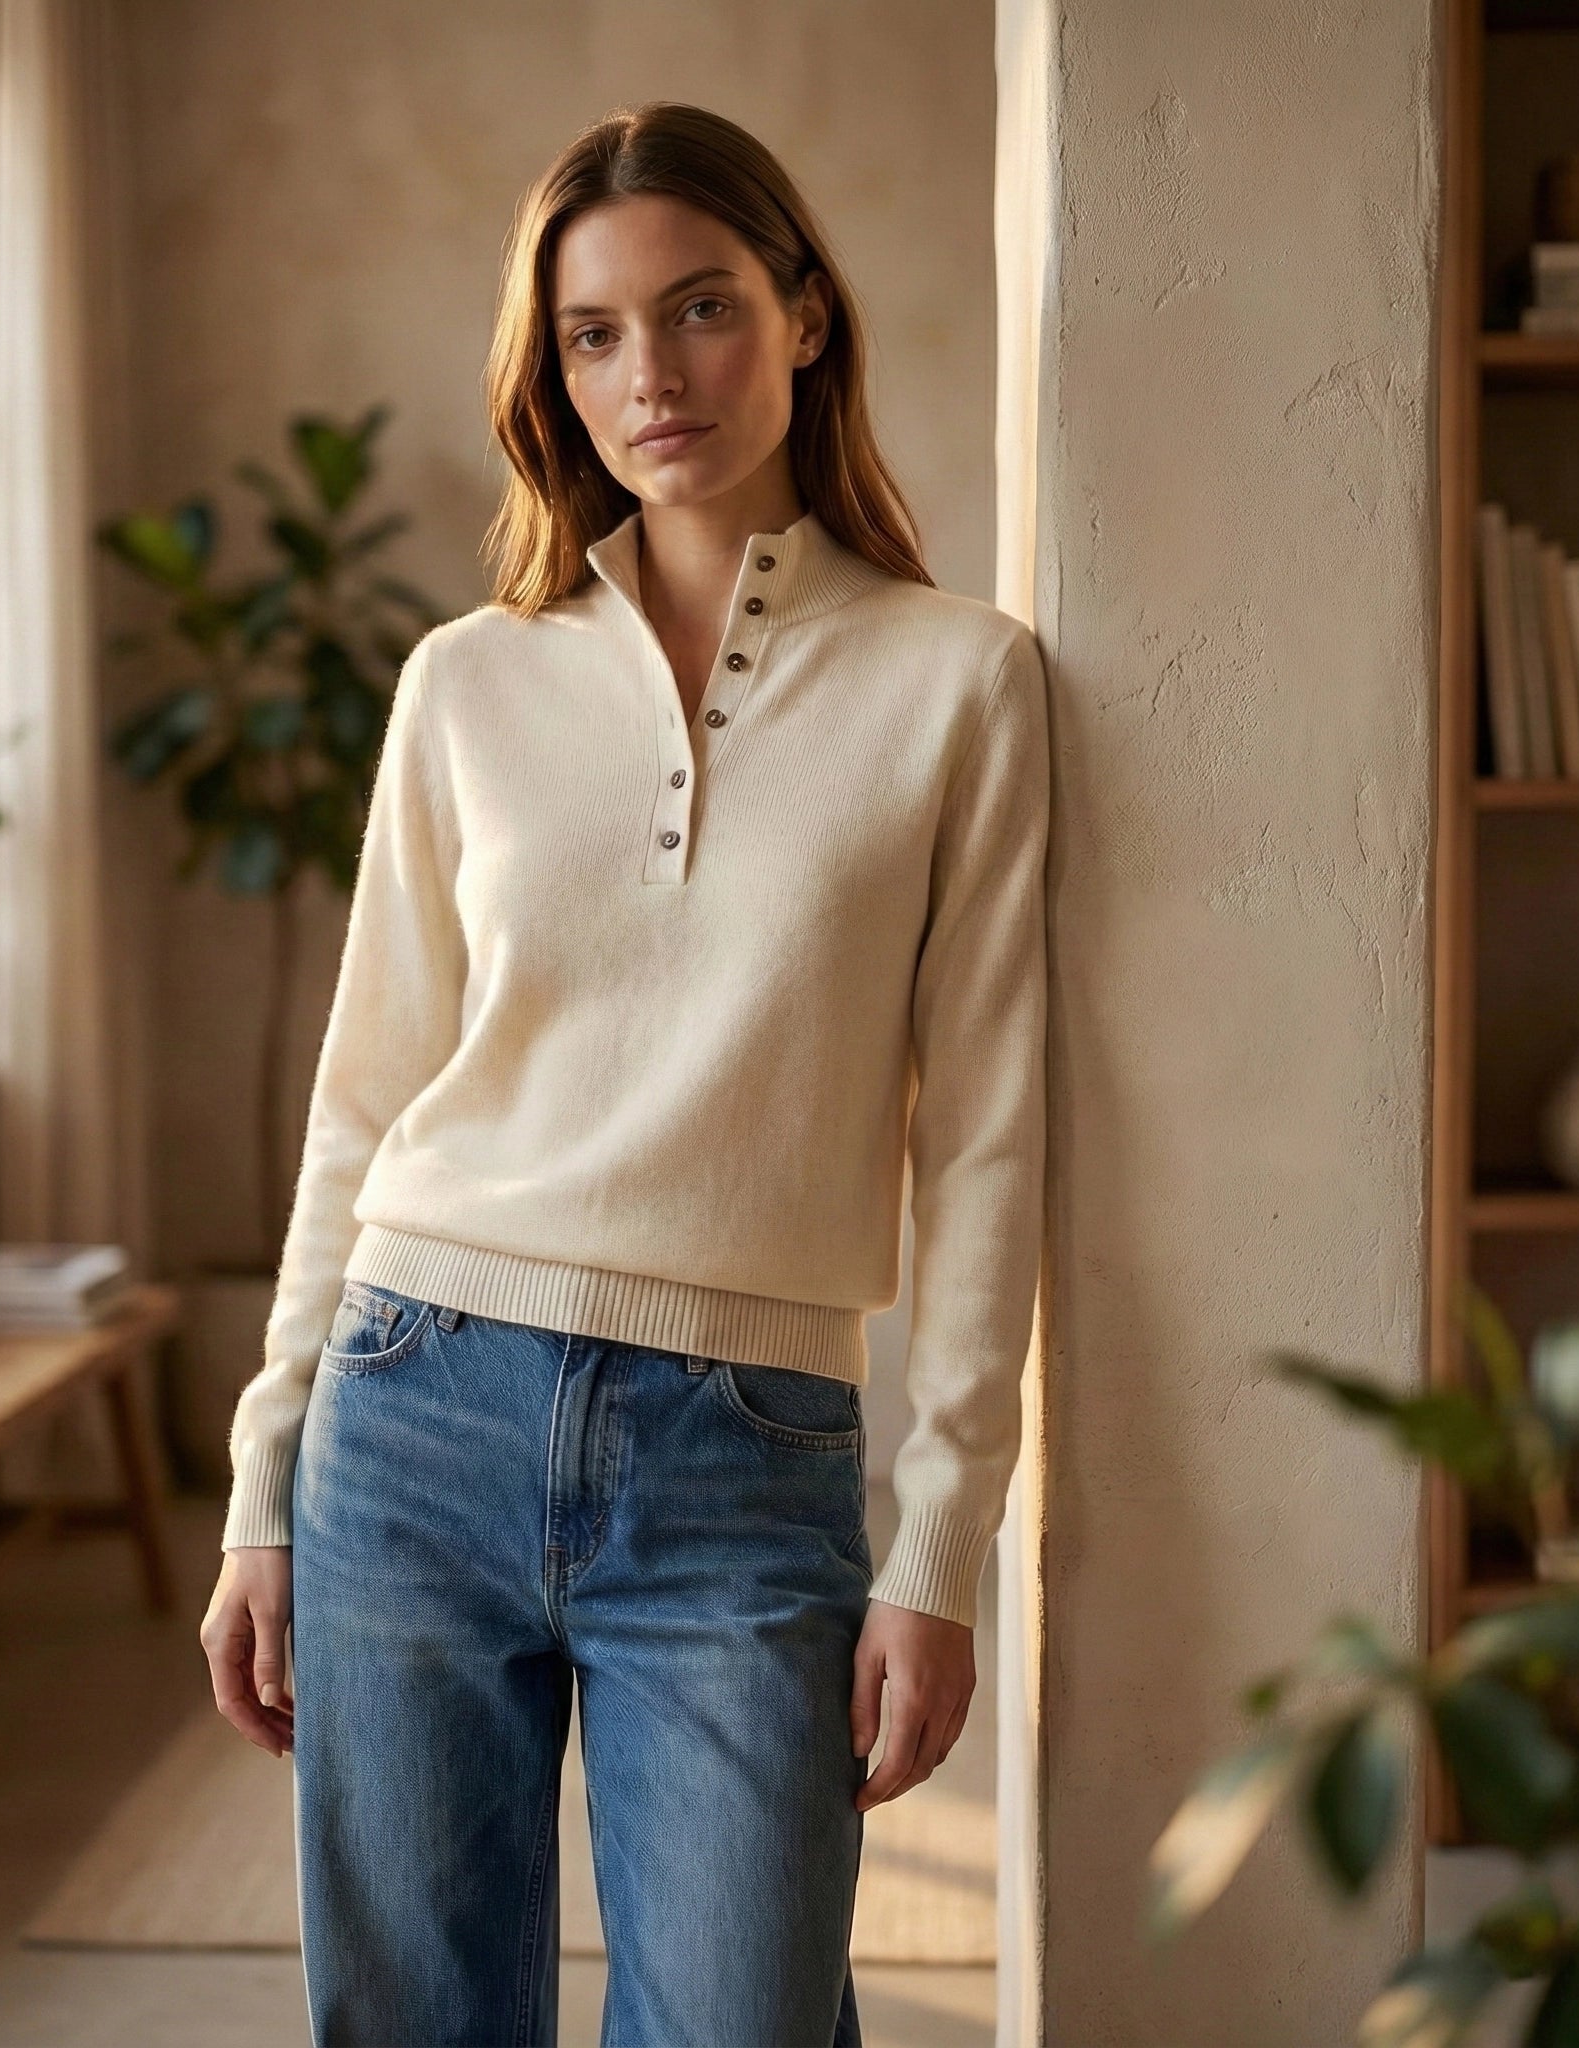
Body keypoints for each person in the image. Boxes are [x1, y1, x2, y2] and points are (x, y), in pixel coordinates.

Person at [199, 99, 1050, 2048]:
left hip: (749, 1461)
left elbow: (993, 1146)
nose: (648, 376)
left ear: (806, 317)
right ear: (549, 365)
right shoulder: (463, 685)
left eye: (700, 309)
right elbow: (361, 1102)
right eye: (591, 333)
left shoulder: (960, 683)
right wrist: (263, 1484)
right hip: (414, 1405)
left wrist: (939, 1546)